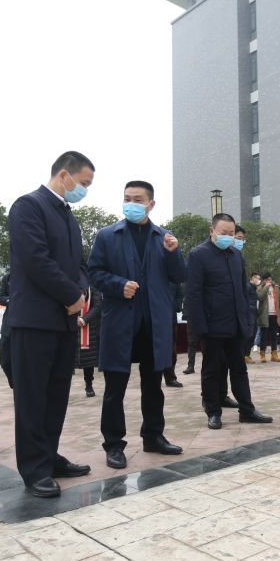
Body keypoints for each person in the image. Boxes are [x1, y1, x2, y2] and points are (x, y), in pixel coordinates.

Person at [7, 152, 93, 497]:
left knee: (56, 396)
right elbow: (35, 259)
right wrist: (70, 294)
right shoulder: (28, 206)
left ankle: (49, 455)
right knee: (32, 397)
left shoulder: (68, 215)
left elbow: (80, 264)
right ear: (64, 175)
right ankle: (34, 469)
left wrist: (81, 291)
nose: (85, 190)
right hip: (35, 320)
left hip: (64, 321)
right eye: (83, 183)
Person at [88, 180, 186, 470]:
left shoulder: (165, 238)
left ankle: (153, 436)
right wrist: (118, 284)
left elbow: (179, 276)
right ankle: (114, 444)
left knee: (153, 386)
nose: (131, 204)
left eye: (138, 199)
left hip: (153, 323)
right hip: (120, 322)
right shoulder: (107, 236)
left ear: (151, 204)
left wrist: (174, 252)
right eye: (127, 198)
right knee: (115, 388)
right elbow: (93, 272)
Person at [185, 213, 273, 430]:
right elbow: (193, 294)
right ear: (212, 231)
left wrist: (246, 320)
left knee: (239, 369)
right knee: (212, 370)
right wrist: (199, 327)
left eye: (231, 233)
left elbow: (242, 292)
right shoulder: (198, 255)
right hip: (212, 325)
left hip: (235, 324)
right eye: (223, 233)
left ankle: (247, 410)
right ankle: (213, 412)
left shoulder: (235, 255)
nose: (228, 237)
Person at [75, 285, 102, 397]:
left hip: (89, 326)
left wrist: (84, 319)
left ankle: (89, 384)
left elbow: (97, 305)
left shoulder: (92, 285)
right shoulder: (70, 281)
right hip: (71, 323)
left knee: (88, 358)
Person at [257, 273, 280, 361]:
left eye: (270, 279)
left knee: (274, 335)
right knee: (264, 336)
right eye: (267, 279)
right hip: (264, 315)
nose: (269, 281)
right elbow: (260, 297)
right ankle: (262, 355)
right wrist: (266, 287)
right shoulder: (260, 287)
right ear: (264, 280)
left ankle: (274, 354)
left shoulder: (276, 288)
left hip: (275, 315)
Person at [162, 283, 184, 388]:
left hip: (170, 318)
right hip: (153, 317)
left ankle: (170, 377)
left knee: (171, 350)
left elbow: (179, 295)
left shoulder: (173, 278)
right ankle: (153, 377)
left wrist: (175, 306)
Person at [0, 272, 13, 388]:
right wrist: (10, 300)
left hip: (28, 327)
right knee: (5, 360)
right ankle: (16, 385)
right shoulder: (8, 277)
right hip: (8, 327)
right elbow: (0, 297)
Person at [245, 272, 262, 363]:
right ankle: (245, 355)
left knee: (252, 335)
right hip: (249, 314)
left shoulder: (255, 288)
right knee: (249, 335)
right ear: (252, 278)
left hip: (254, 313)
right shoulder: (248, 287)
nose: (259, 280)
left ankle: (247, 355)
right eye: (257, 278)